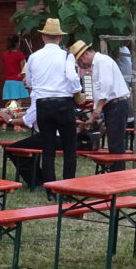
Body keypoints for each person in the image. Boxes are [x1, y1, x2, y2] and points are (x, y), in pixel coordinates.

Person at [24, 18, 82, 193]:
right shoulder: (67, 56)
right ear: (60, 37)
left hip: (43, 104)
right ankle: (68, 189)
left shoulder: (33, 57)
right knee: (69, 149)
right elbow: (72, 77)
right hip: (63, 103)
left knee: (47, 150)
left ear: (43, 37)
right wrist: (77, 91)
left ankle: (50, 190)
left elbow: (29, 82)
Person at [70, 40, 130, 169]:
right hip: (113, 105)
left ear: (85, 54)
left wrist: (98, 109)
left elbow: (105, 87)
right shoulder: (98, 63)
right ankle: (116, 172)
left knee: (116, 145)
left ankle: (118, 175)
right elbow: (101, 92)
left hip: (116, 105)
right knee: (114, 144)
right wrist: (93, 117)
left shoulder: (102, 61)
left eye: (79, 61)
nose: (81, 65)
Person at [1, 34, 29, 104]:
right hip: (18, 81)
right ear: (17, 43)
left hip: (8, 82)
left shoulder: (5, 55)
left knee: (10, 105)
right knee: (18, 105)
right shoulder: (20, 55)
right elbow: (23, 71)